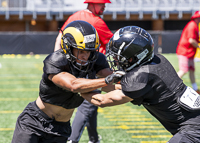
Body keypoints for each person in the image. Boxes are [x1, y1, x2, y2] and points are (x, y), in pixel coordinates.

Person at [81, 26, 200, 143]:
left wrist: (77, 88)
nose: (116, 60)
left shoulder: (141, 76)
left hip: (192, 131)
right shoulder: (158, 60)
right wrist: (94, 83)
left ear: (133, 57)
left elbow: (102, 101)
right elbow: (120, 88)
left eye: (118, 56)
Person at [11, 20, 122, 143]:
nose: (86, 56)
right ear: (69, 47)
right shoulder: (56, 60)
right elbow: (73, 85)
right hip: (34, 122)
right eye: (81, 51)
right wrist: (107, 80)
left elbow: (115, 82)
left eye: (90, 51)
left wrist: (134, 84)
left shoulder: (95, 60)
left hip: (61, 128)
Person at [54, 1, 113, 142]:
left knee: (90, 106)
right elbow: (112, 42)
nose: (105, 6)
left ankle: (93, 138)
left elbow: (60, 37)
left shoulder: (75, 16)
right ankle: (72, 140)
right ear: (92, 4)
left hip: (75, 65)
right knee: (89, 105)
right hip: (93, 66)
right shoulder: (96, 21)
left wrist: (57, 60)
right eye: (102, 4)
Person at [176, 10, 200, 94]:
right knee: (183, 70)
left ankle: (195, 88)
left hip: (189, 53)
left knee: (192, 70)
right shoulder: (192, 25)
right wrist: (199, 46)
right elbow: (191, 40)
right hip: (184, 52)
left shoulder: (195, 26)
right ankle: (171, 86)